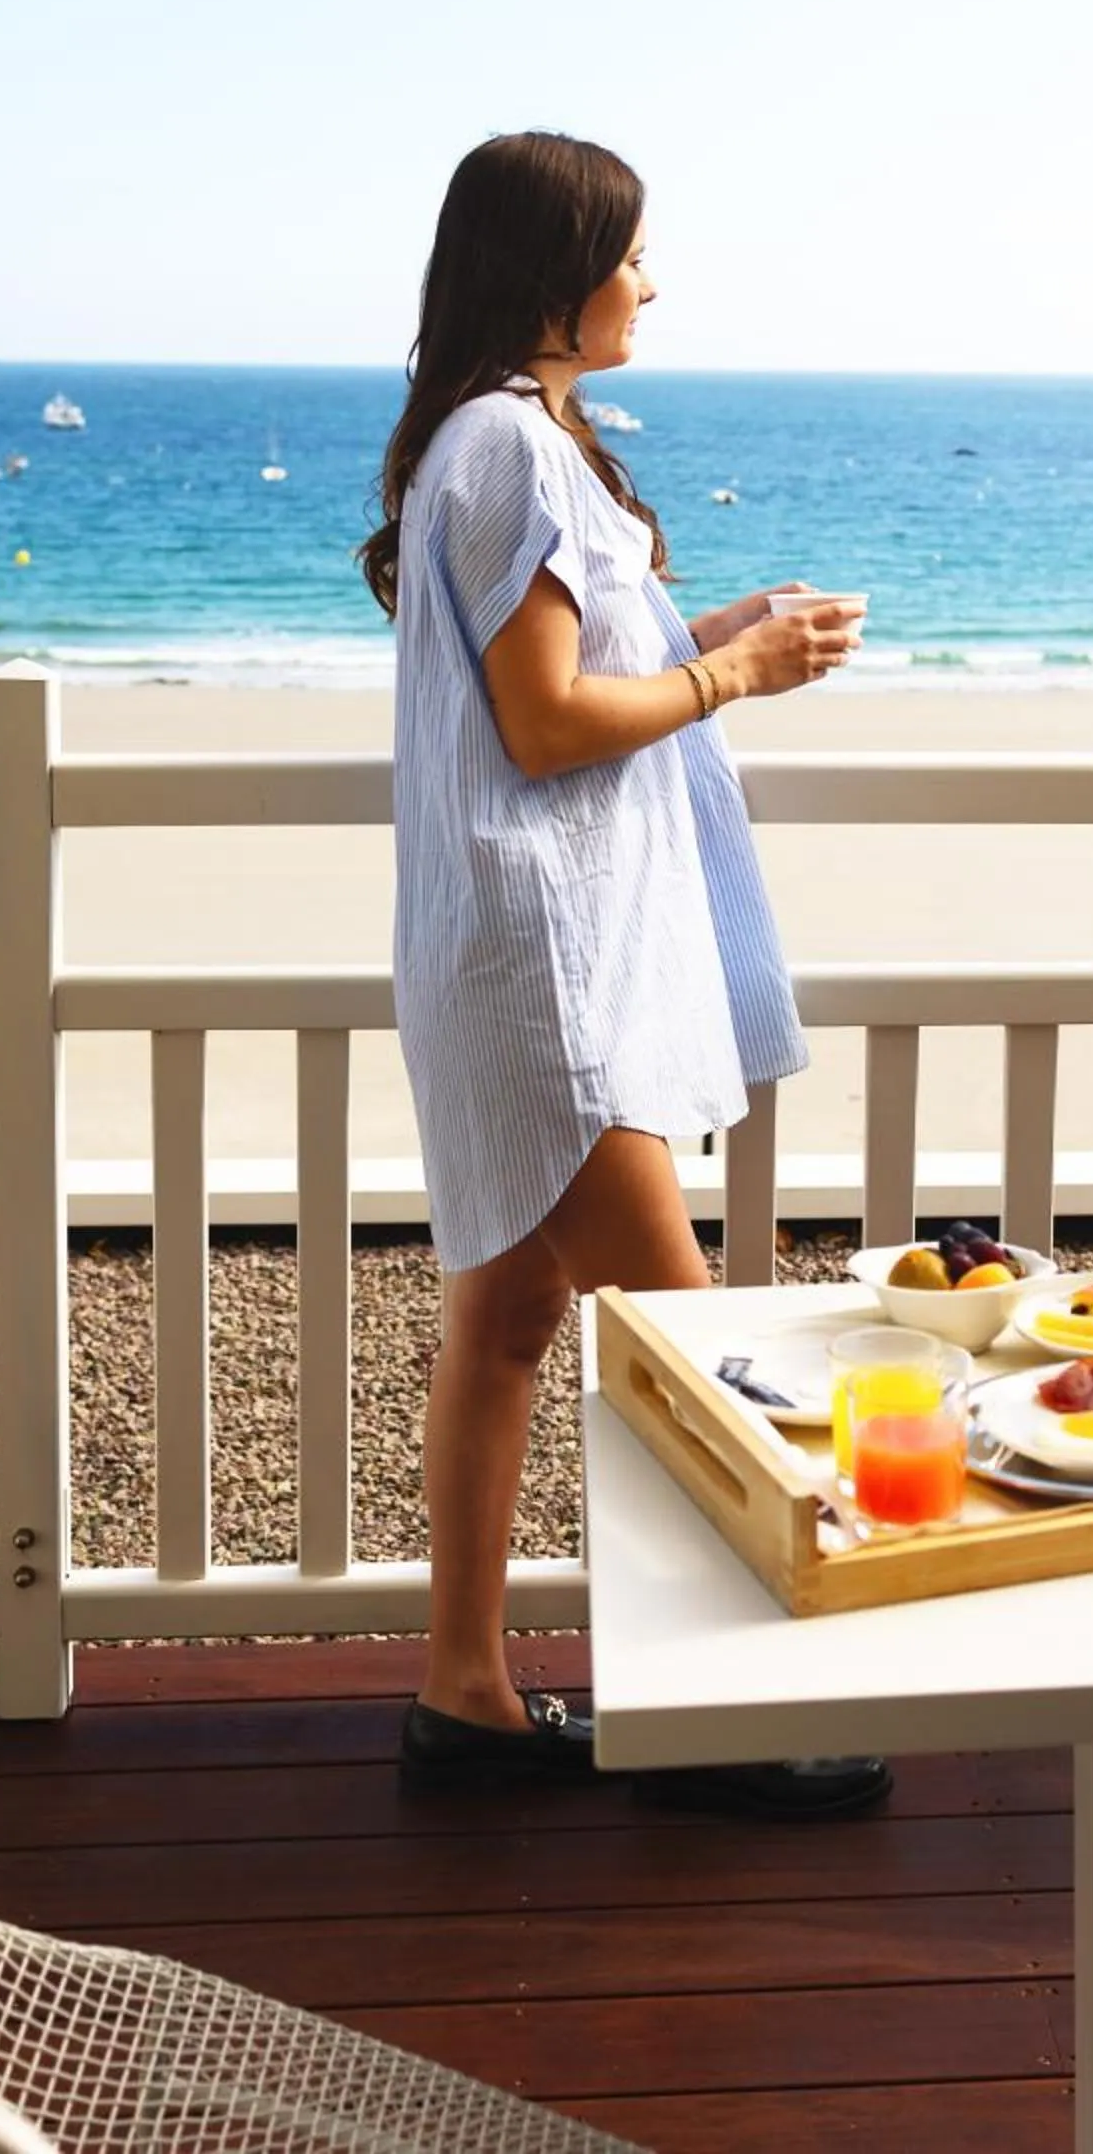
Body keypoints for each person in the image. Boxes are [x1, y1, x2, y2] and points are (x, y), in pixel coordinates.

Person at [362, 131, 888, 1817]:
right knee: (687, 1348)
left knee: (510, 1321)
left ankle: (464, 1698)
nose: (653, 282)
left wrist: (709, 629)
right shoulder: (511, 445)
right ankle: (715, 1718)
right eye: (637, 254)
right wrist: (732, 675)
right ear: (561, 273)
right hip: (548, 970)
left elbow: (583, 663)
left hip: (505, 951)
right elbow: (546, 721)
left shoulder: (489, 439)